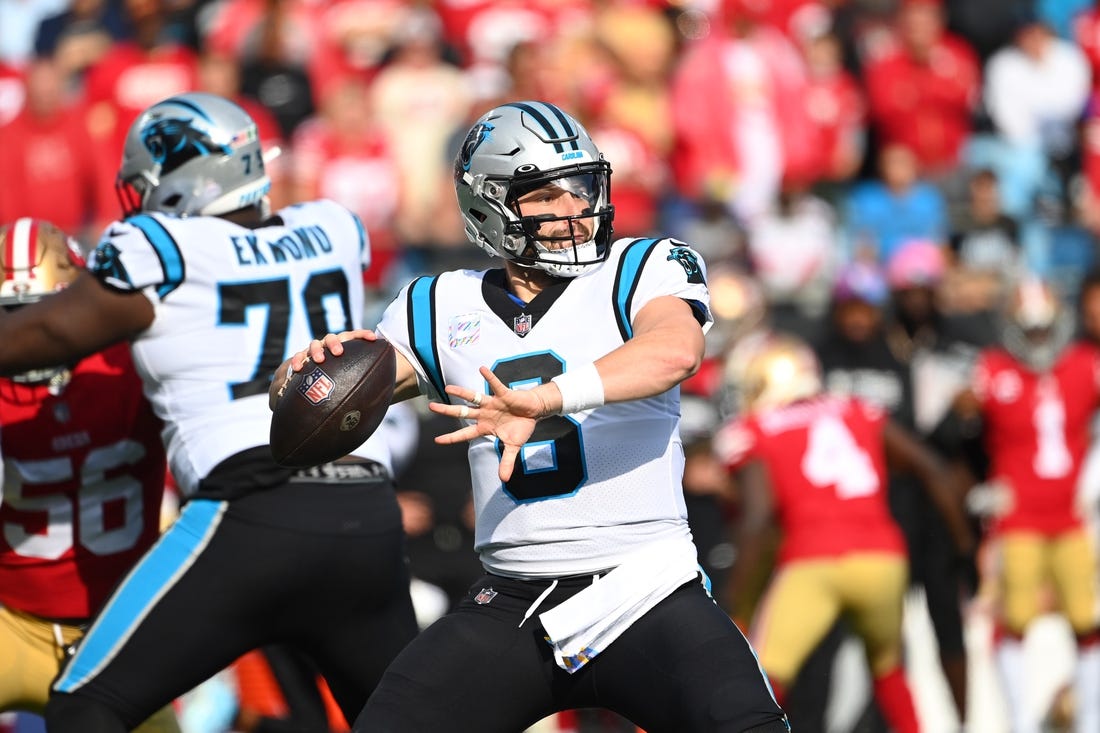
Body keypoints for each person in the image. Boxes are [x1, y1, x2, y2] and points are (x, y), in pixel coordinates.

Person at [274, 100, 790, 733]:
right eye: (545, 196)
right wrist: (304, 382)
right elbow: (349, 400)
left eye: (582, 188)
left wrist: (549, 397)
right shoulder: (437, 303)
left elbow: (675, 351)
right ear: (487, 207)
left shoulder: (641, 266)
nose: (574, 210)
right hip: (512, 601)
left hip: (646, 588)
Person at [0, 92, 419, 732]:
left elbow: (44, 337)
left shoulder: (159, 246)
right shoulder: (334, 226)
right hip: (366, 516)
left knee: (87, 704)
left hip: (250, 512)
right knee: (399, 720)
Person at [713, 333, 974, 733]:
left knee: (760, 678)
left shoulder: (758, 427)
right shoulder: (857, 409)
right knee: (888, 670)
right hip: (883, 559)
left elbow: (757, 518)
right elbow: (934, 469)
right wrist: (963, 547)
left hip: (813, 561)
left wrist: (732, 601)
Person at [0, 219, 177, 732]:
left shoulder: (133, 367)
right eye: (12, 319)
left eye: (43, 317)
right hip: (12, 619)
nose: (29, 337)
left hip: (117, 635)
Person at [944, 276, 1100, 733]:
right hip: (1017, 519)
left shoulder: (1085, 364)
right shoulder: (992, 369)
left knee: (1087, 621)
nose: (1037, 339)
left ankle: (1091, 719)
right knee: (1013, 621)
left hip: (1074, 516)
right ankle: (1021, 722)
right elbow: (956, 433)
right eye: (1028, 330)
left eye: (1043, 328)